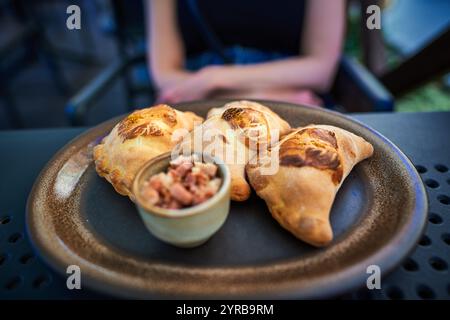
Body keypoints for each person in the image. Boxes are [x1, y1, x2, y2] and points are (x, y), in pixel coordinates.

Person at [147, 0, 345, 106]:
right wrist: (258, 96)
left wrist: (213, 80)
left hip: (198, 94)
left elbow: (321, 70)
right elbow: (165, 75)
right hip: (286, 97)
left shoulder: (207, 81)